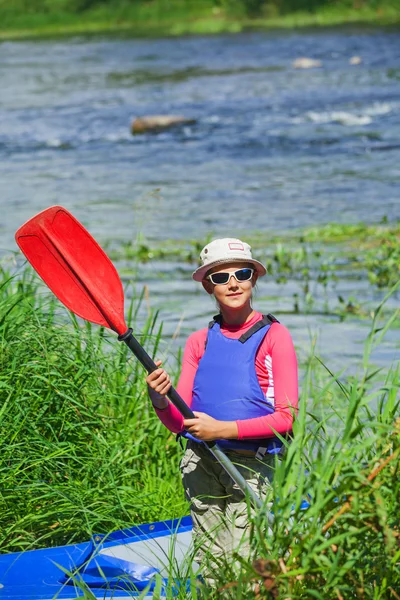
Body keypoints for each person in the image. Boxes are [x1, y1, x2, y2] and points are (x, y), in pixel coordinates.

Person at [146, 238, 298, 579]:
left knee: (247, 564)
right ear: (207, 286)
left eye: (242, 273)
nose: (233, 282)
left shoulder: (275, 336)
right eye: (220, 277)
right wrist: (159, 399)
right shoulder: (198, 341)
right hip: (200, 462)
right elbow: (179, 423)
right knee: (213, 565)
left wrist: (222, 430)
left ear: (253, 279)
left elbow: (287, 418)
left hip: (251, 466)